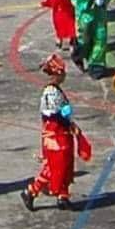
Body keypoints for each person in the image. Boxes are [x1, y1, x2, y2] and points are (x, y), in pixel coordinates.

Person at [22, 54, 87, 209]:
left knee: (66, 164)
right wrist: (68, 122)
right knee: (55, 166)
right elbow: (54, 115)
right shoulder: (50, 92)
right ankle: (31, 191)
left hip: (62, 133)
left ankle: (62, 195)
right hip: (55, 135)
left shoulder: (56, 90)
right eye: (62, 72)